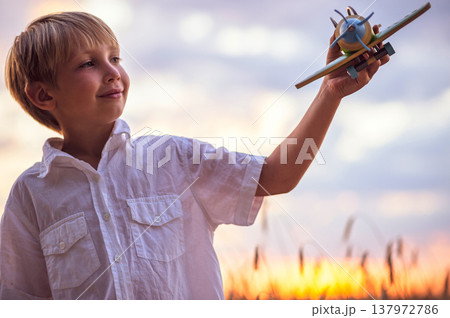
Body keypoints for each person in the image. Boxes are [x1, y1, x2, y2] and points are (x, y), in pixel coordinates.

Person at [0, 11, 388, 299]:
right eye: (88, 63)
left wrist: (329, 92)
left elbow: (275, 177)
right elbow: (20, 298)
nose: (112, 71)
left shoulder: (173, 158)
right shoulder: (31, 195)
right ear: (44, 95)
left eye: (115, 58)